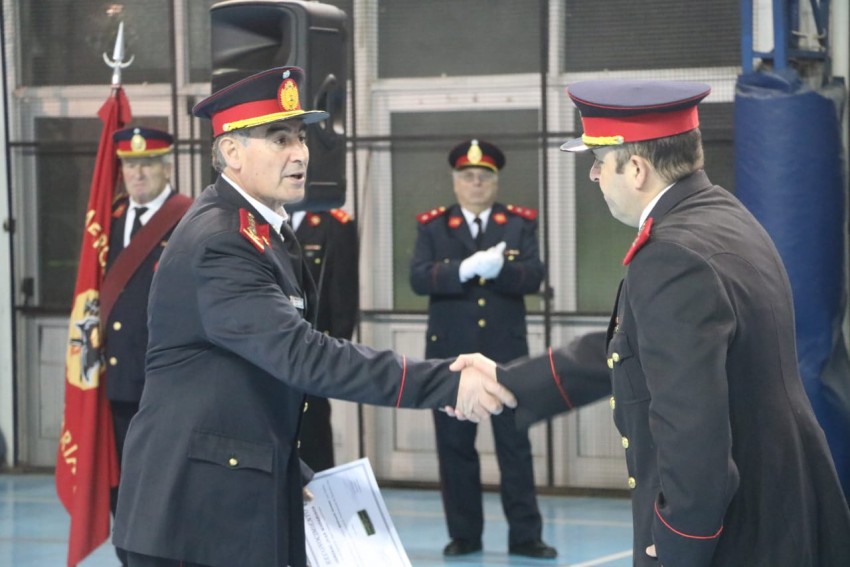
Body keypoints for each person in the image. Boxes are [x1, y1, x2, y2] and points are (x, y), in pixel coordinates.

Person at [111, 66, 516, 567]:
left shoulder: (263, 231)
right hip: (191, 516)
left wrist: (288, 469)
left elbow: (240, 379)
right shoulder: (223, 240)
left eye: (300, 137)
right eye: (279, 139)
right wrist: (444, 383)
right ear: (232, 153)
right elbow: (299, 353)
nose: (300, 152)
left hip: (232, 495)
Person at [454, 79, 850, 566]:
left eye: (599, 161)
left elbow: (693, 433)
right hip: (785, 506)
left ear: (636, 168)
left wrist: (680, 545)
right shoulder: (721, 215)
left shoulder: (670, 256)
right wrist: (512, 379)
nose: (595, 175)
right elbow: (641, 347)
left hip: (739, 534)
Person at [409, 139, 556, 559]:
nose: (476, 184)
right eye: (467, 177)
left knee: (515, 448)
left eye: (484, 177)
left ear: (495, 181)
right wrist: (465, 269)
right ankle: (464, 535)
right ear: (455, 182)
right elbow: (419, 278)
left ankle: (526, 537)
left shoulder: (518, 223)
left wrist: (500, 271)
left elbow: (533, 276)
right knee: (455, 448)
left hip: (505, 356)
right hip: (452, 358)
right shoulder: (434, 226)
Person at [102, 126, 192, 566]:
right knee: (123, 492)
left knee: (165, 492)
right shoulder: (111, 221)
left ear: (167, 165)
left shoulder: (189, 220)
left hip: (165, 387)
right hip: (118, 384)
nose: (138, 174)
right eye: (130, 165)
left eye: (148, 164)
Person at [287, 205, 360, 471]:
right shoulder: (256, 220)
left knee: (312, 434)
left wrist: (335, 350)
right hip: (267, 345)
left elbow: (343, 293)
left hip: (311, 348)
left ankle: (319, 508)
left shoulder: (334, 224)